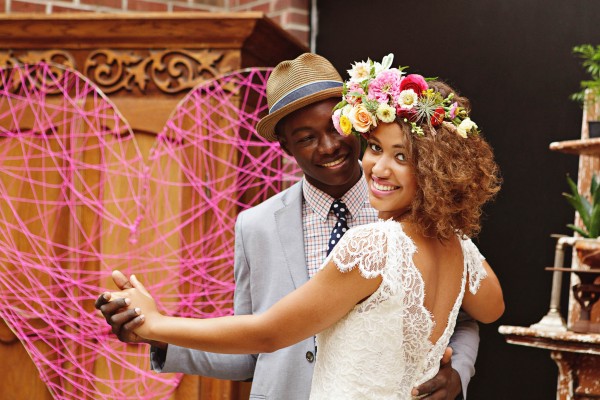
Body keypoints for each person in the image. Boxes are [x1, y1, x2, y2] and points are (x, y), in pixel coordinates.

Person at [96, 53, 487, 399]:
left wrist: (458, 373)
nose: (328, 146)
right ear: (285, 147)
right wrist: (155, 335)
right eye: (305, 138)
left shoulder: (414, 213)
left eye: (336, 128)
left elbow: (463, 316)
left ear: (358, 124)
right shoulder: (255, 226)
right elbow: (256, 345)